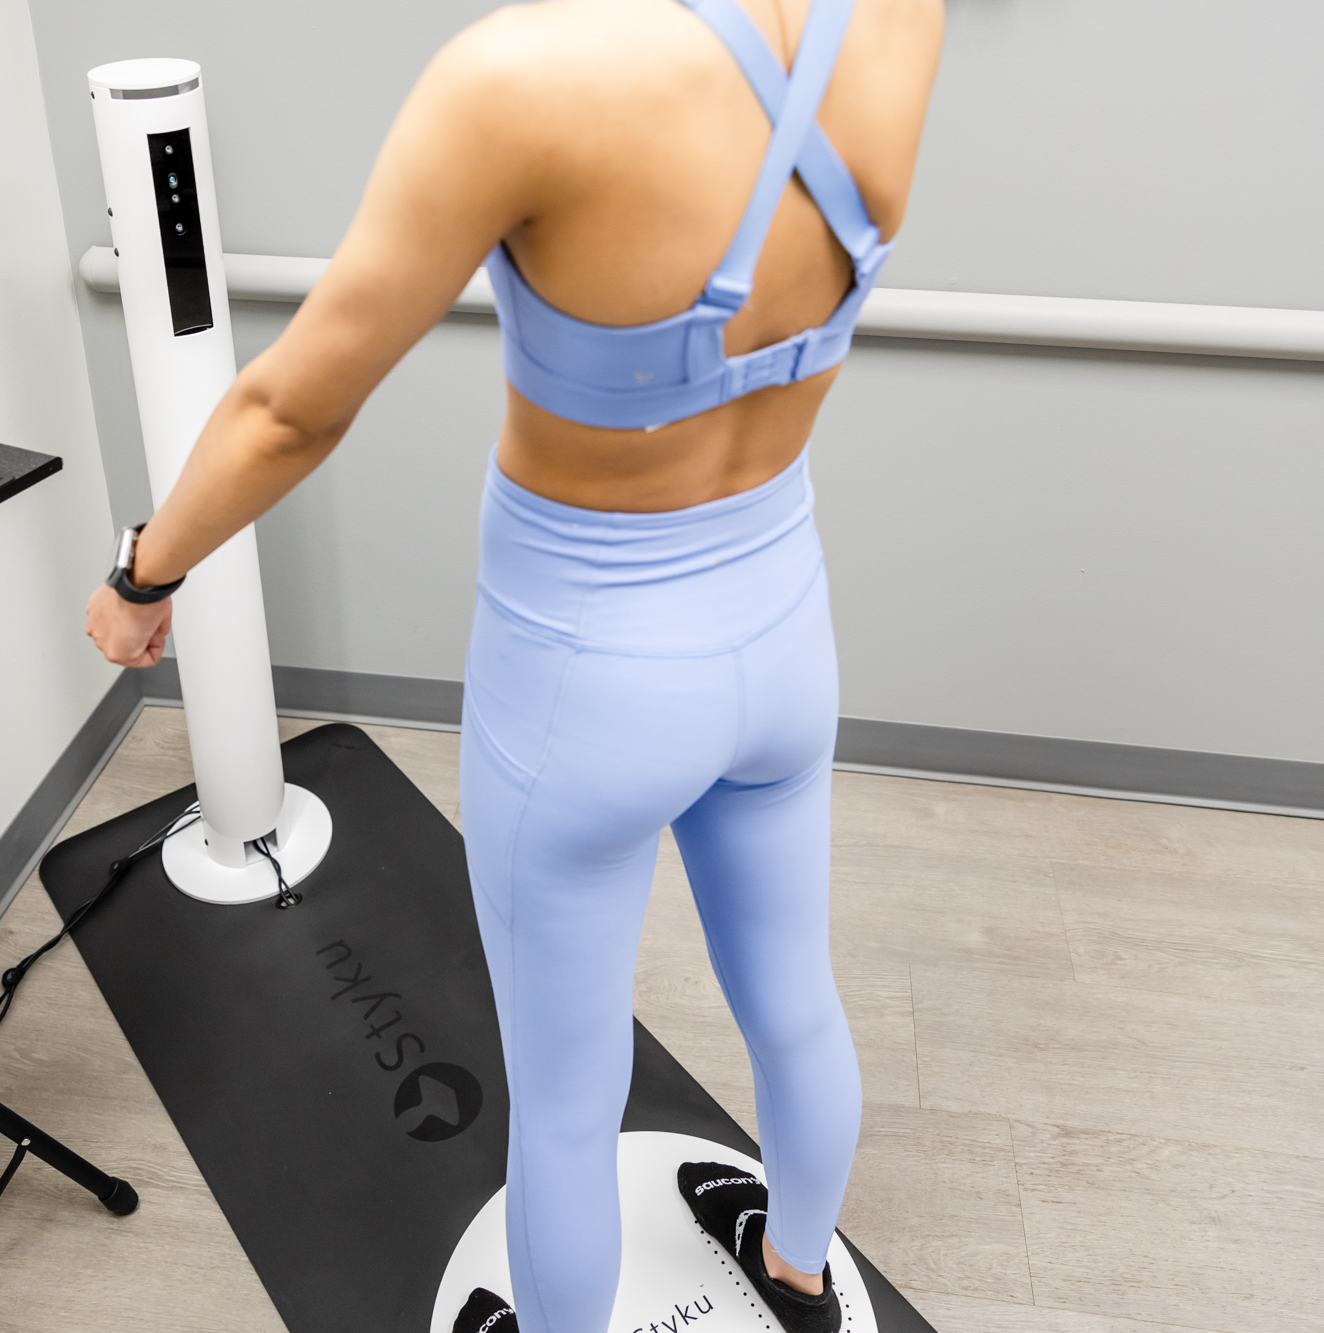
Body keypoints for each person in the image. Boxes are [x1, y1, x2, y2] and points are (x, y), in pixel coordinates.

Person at [84, 2, 942, 1330]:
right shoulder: (895, 14)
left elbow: (287, 409)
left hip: (584, 683)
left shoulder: (520, 78)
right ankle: (801, 1272)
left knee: (563, 1095)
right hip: (781, 633)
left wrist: (146, 572)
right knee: (792, 999)